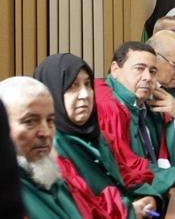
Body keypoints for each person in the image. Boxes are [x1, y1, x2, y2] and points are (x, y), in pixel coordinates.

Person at [33, 54, 160, 218]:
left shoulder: (99, 136)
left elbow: (128, 176)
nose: (85, 94)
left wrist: (146, 196)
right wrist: (128, 210)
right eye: (73, 86)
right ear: (51, 94)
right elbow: (77, 208)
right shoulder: (48, 149)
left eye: (87, 84)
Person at [94, 41, 175, 203]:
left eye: (152, 71)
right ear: (115, 69)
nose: (147, 77)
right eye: (139, 68)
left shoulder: (148, 101)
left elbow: (171, 161)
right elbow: (123, 167)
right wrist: (173, 176)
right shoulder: (107, 106)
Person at [0, 76, 124, 218]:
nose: (46, 132)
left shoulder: (54, 177)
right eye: (30, 122)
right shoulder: (7, 197)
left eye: (50, 120)